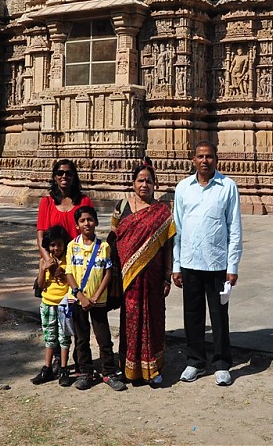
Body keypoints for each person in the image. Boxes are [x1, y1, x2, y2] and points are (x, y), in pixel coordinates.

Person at [172, 140, 243, 386]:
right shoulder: (183, 188)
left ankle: (222, 363)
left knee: (219, 315)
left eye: (209, 156)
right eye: (200, 156)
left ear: (216, 159)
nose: (205, 161)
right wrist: (176, 265)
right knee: (192, 315)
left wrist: (232, 267)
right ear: (193, 160)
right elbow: (178, 229)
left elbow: (234, 228)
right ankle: (195, 361)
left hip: (217, 263)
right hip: (190, 262)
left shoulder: (227, 187)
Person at [110, 159, 176, 387]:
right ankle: (129, 369)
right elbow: (113, 240)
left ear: (154, 184)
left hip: (154, 278)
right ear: (133, 183)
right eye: (140, 180)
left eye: (149, 181)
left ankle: (153, 369)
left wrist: (167, 275)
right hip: (128, 278)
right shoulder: (122, 207)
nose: (144, 185)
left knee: (153, 320)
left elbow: (168, 246)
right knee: (130, 320)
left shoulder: (161, 211)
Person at [65, 206, 127, 391]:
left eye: (90, 220)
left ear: (96, 222)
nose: (87, 223)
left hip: (98, 301)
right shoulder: (72, 246)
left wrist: (96, 296)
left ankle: (109, 372)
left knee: (104, 338)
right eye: (82, 221)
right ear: (77, 225)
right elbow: (69, 273)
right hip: (77, 300)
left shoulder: (104, 247)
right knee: (81, 338)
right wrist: (81, 296)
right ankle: (85, 372)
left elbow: (108, 273)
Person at [31, 225, 72, 387]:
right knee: (49, 337)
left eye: (59, 245)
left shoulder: (68, 260)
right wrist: (44, 270)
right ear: (48, 246)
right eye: (52, 245)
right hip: (48, 303)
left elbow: (70, 281)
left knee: (64, 338)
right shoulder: (43, 261)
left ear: (64, 245)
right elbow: (40, 286)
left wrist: (62, 272)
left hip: (63, 304)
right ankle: (47, 368)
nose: (56, 248)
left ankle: (63, 369)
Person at [36, 159, 93, 267]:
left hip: (79, 261)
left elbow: (90, 234)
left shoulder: (84, 201)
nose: (64, 176)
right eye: (60, 173)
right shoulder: (46, 203)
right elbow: (40, 237)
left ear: (74, 177)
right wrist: (49, 261)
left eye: (69, 173)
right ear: (54, 177)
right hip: (54, 261)